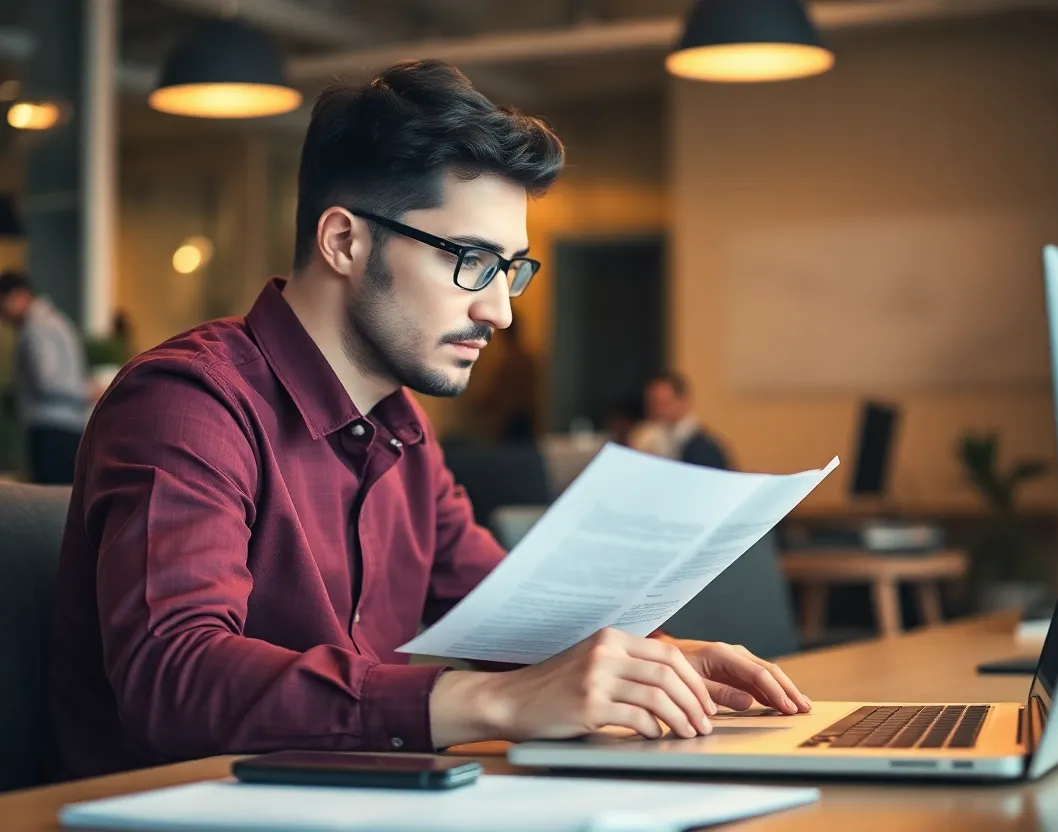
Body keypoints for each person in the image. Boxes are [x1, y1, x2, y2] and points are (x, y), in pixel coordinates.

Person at [50, 60, 809, 782]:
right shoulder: (190, 403)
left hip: (354, 802)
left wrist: (648, 661)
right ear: (344, 240)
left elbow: (506, 618)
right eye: (470, 261)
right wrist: (493, 701)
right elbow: (172, 680)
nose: (500, 310)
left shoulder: (401, 429)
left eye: (511, 269)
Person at [0, 270, 89, 484]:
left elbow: (48, 382)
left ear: (18, 296)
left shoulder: (37, 327)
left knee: (48, 505)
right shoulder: (53, 320)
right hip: (64, 427)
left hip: (51, 430)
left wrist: (87, 391)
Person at [632, 372, 732, 470]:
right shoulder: (651, 438)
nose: (658, 410)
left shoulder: (704, 448)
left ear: (682, 401)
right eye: (653, 404)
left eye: (664, 403)